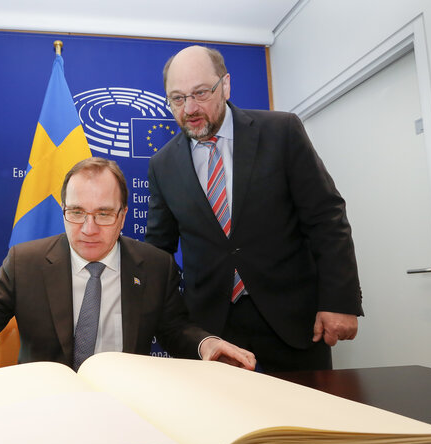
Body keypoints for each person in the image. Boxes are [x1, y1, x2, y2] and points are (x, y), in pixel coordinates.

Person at [0, 157, 255, 399]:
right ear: (63, 210)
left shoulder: (154, 265)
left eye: (104, 213)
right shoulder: (27, 262)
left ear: (122, 216)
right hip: (45, 407)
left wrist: (206, 344)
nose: (88, 227)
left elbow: (173, 328)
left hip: (129, 405)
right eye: (76, 212)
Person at [145, 45, 363, 371]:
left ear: (226, 85)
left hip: (292, 323)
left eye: (201, 93)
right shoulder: (162, 165)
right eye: (177, 98)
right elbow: (159, 253)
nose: (189, 108)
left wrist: (339, 301)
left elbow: (326, 218)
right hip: (213, 333)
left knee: (303, 419)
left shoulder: (282, 132)